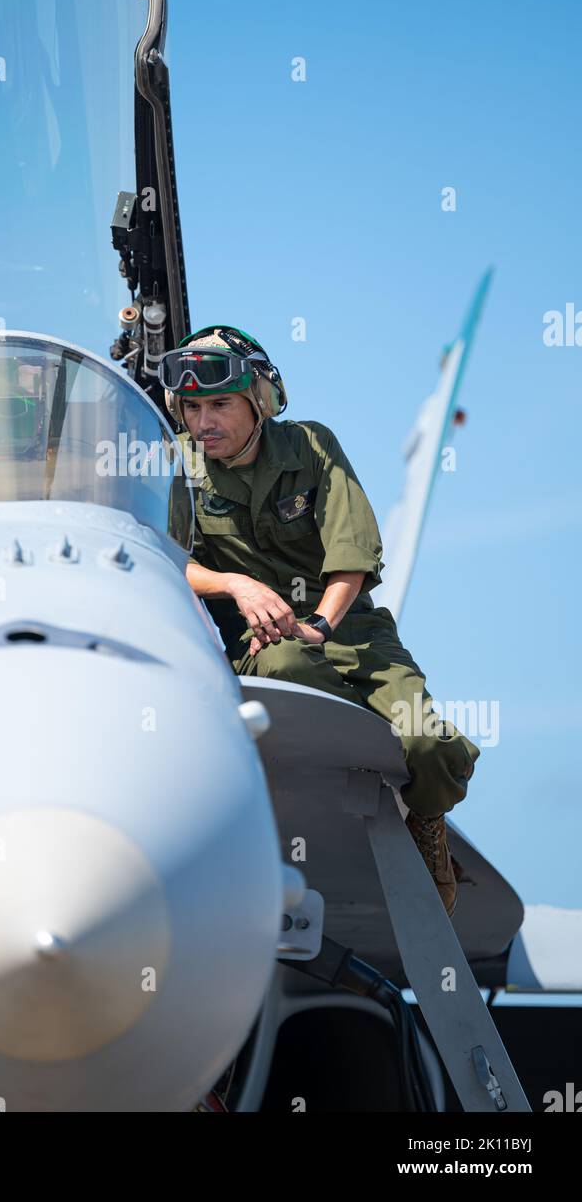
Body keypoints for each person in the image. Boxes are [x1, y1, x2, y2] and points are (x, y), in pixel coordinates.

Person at [159, 325, 480, 918]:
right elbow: (166, 561)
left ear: (259, 401)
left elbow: (351, 555)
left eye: (220, 404)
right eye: (193, 407)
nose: (205, 422)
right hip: (265, 638)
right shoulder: (175, 467)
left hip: (353, 633)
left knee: (431, 747)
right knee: (283, 664)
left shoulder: (312, 446)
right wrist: (234, 582)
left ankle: (426, 824)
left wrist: (324, 627)